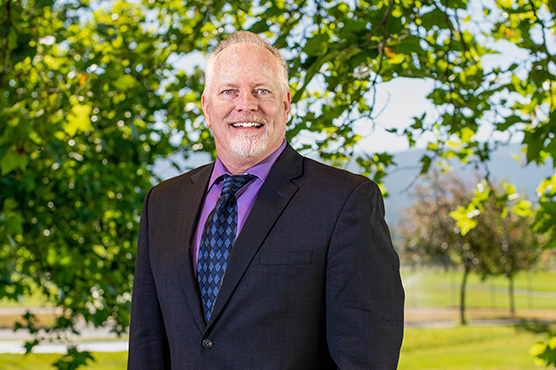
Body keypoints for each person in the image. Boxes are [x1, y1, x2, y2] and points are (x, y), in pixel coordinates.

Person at [127, 31, 404, 370]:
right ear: (206, 106)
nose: (247, 104)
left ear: (286, 104)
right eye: (229, 91)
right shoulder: (163, 203)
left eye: (262, 91)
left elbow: (367, 355)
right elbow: (146, 344)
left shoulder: (345, 200)